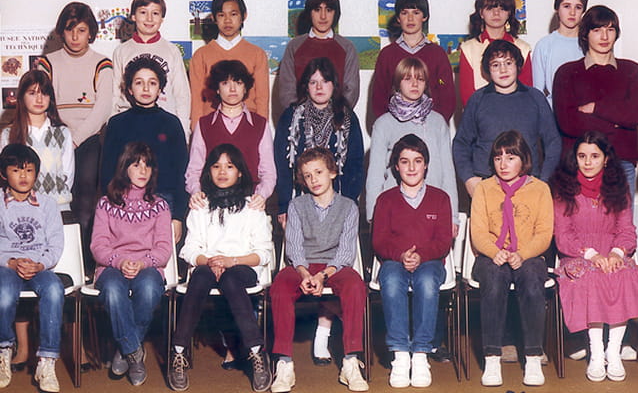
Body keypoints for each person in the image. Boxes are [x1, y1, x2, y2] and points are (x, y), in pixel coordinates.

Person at [550, 131, 638, 382]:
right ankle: (596, 352)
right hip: (577, 256)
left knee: (623, 276)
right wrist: (591, 255)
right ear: (574, 159)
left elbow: (626, 230)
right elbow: (563, 235)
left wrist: (616, 252)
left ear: (606, 159)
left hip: (613, 254)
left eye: (594, 156)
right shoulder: (563, 189)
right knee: (593, 279)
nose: (588, 162)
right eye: (582, 156)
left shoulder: (619, 188)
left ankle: (613, 351)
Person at [169, 144, 273, 392]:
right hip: (208, 266)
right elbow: (189, 249)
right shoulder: (200, 206)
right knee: (200, 276)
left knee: (230, 279)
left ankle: (257, 352)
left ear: (240, 172)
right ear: (209, 171)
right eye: (216, 166)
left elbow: (263, 253)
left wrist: (231, 261)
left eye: (229, 166)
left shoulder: (252, 207)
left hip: (241, 267)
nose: (223, 172)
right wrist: (210, 261)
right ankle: (178, 352)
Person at [269, 147, 368, 393]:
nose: (314, 179)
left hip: (334, 267)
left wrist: (323, 275)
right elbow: (293, 247)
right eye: (308, 175)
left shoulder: (349, 207)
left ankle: (350, 361)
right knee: (280, 286)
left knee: (355, 286)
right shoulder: (296, 205)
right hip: (303, 265)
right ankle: (284, 363)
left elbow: (346, 252)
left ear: (332, 172)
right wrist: (305, 274)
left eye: (319, 172)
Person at [470, 130, 552, 387]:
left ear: (524, 159)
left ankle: (533, 356)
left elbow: (544, 233)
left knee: (532, 279)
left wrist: (522, 254)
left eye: (510, 157)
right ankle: (492, 357)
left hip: (528, 254)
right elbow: (478, 232)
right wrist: (495, 252)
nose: (503, 164)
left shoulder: (540, 189)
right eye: (498, 158)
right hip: (491, 255)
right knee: (494, 280)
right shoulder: (484, 189)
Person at [372, 134, 452, 388]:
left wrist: (421, 256)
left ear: (426, 164)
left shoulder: (440, 198)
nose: (411, 167)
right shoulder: (385, 200)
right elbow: (379, 241)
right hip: (394, 261)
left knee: (426, 282)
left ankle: (420, 354)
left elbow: (443, 242)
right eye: (404, 161)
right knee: (391, 280)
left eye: (417, 161)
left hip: (430, 262)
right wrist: (401, 255)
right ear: (396, 166)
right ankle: (400, 355)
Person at [90, 142, 172, 386]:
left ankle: (125, 348)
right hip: (111, 266)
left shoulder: (160, 205)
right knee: (113, 291)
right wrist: (120, 261)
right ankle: (134, 352)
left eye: (147, 165)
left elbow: (164, 249)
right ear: (125, 168)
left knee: (149, 289)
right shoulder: (106, 203)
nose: (142, 170)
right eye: (136, 165)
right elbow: (98, 246)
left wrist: (142, 263)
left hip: (148, 267)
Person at [39, 1, 114, 255]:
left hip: (88, 139)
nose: (75, 37)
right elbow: (42, 102)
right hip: (53, 137)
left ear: (90, 32)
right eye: (70, 30)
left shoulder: (102, 63)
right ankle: (54, 255)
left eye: (81, 30)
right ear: (61, 31)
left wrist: (76, 139)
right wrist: (62, 138)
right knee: (52, 198)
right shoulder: (47, 63)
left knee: (85, 196)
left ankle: (83, 260)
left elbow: (103, 108)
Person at [553, 5, 638, 201]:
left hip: (621, 163)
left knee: (621, 221)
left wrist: (596, 108)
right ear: (585, 34)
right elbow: (567, 122)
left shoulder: (632, 71)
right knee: (579, 221)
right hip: (579, 164)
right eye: (597, 30)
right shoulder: (567, 73)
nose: (604, 36)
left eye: (610, 29)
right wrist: (617, 123)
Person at [453, 40, 560, 198]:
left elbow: (553, 141)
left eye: (508, 63)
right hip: (486, 184)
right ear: (487, 69)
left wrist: (544, 179)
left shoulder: (535, 98)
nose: (503, 70)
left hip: (528, 184)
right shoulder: (477, 100)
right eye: (495, 65)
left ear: (518, 65)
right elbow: (461, 143)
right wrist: (469, 178)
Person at [101, 56, 188, 244]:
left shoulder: (171, 124)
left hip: (164, 201)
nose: (146, 89)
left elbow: (181, 174)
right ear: (129, 89)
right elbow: (107, 174)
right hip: (124, 202)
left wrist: (178, 217)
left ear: (160, 88)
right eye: (139, 83)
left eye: (152, 83)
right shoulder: (116, 124)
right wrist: (109, 212)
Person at [0, 144, 65, 393]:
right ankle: (4, 349)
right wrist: (11, 262)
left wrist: (40, 264)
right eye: (16, 170)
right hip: (8, 266)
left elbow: (56, 244)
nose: (24, 176)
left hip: (39, 266)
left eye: (29, 170)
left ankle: (47, 361)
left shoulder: (48, 204)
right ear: (4, 173)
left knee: (54, 290)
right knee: (4, 293)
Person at [366, 57, 458, 232]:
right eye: (407, 78)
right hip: (395, 210)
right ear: (397, 83)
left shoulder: (438, 122)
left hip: (432, 208)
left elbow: (448, 172)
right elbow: (375, 175)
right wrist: (373, 215)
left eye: (420, 79)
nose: (414, 84)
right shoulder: (383, 123)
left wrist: (452, 216)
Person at [274, 57, 364, 224]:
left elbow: (355, 165)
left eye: (325, 81)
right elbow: (282, 165)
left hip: (338, 201)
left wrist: (348, 205)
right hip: (298, 201)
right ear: (306, 86)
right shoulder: (290, 117)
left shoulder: (347, 117)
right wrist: (284, 205)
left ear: (334, 85)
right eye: (313, 82)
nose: (319, 87)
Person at [186, 60, 275, 212]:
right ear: (217, 89)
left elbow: (268, 172)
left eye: (238, 83)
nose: (232, 89)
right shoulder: (204, 124)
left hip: (250, 203)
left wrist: (261, 196)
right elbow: (194, 170)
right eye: (225, 83)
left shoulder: (260, 124)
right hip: (211, 202)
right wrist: (196, 193)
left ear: (245, 88)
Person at [112, 0, 191, 136]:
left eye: (155, 13)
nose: (149, 19)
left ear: (162, 18)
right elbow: (115, 94)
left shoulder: (171, 51)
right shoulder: (121, 51)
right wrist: (112, 128)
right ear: (133, 16)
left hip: (164, 126)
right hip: (129, 124)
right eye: (143, 12)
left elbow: (182, 95)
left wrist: (183, 132)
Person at [371, 0, 456, 122]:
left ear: (424, 17)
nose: (410, 18)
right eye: (404, 13)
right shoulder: (387, 55)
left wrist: (434, 125)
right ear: (398, 18)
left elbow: (447, 95)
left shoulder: (438, 54)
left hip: (429, 127)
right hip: (395, 128)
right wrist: (390, 126)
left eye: (416, 13)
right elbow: (379, 97)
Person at [189, 0, 269, 127]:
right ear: (214, 18)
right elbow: (196, 100)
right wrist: (197, 131)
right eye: (221, 15)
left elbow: (262, 99)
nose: (227, 20)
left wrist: (261, 130)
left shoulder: (257, 54)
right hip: (211, 126)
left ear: (244, 16)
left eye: (233, 14)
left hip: (248, 126)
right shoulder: (201, 55)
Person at [0, 70, 74, 211]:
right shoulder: (9, 134)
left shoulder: (63, 133)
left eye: (44, 94)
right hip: (21, 208)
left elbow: (68, 175)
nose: (39, 100)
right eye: (32, 93)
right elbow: (6, 175)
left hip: (58, 207)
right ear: (22, 96)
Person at [278, 0, 359, 109]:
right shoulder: (294, 46)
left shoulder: (347, 47)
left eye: (328, 10)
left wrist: (334, 114)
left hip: (337, 116)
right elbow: (287, 90)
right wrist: (301, 114)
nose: (323, 16)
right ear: (309, 13)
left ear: (335, 13)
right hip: (300, 116)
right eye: (317, 10)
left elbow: (351, 90)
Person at [459, 0, 532, 106]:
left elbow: (526, 93)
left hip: (516, 112)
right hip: (480, 113)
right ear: (481, 13)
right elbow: (467, 98)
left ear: (509, 13)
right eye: (490, 8)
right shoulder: (468, 49)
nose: (496, 13)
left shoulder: (523, 48)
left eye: (502, 8)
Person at [532, 0, 588, 107]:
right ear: (557, 8)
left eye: (578, 7)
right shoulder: (544, 45)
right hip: (553, 113)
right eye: (567, 6)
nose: (572, 12)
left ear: (583, 11)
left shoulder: (590, 44)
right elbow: (537, 93)